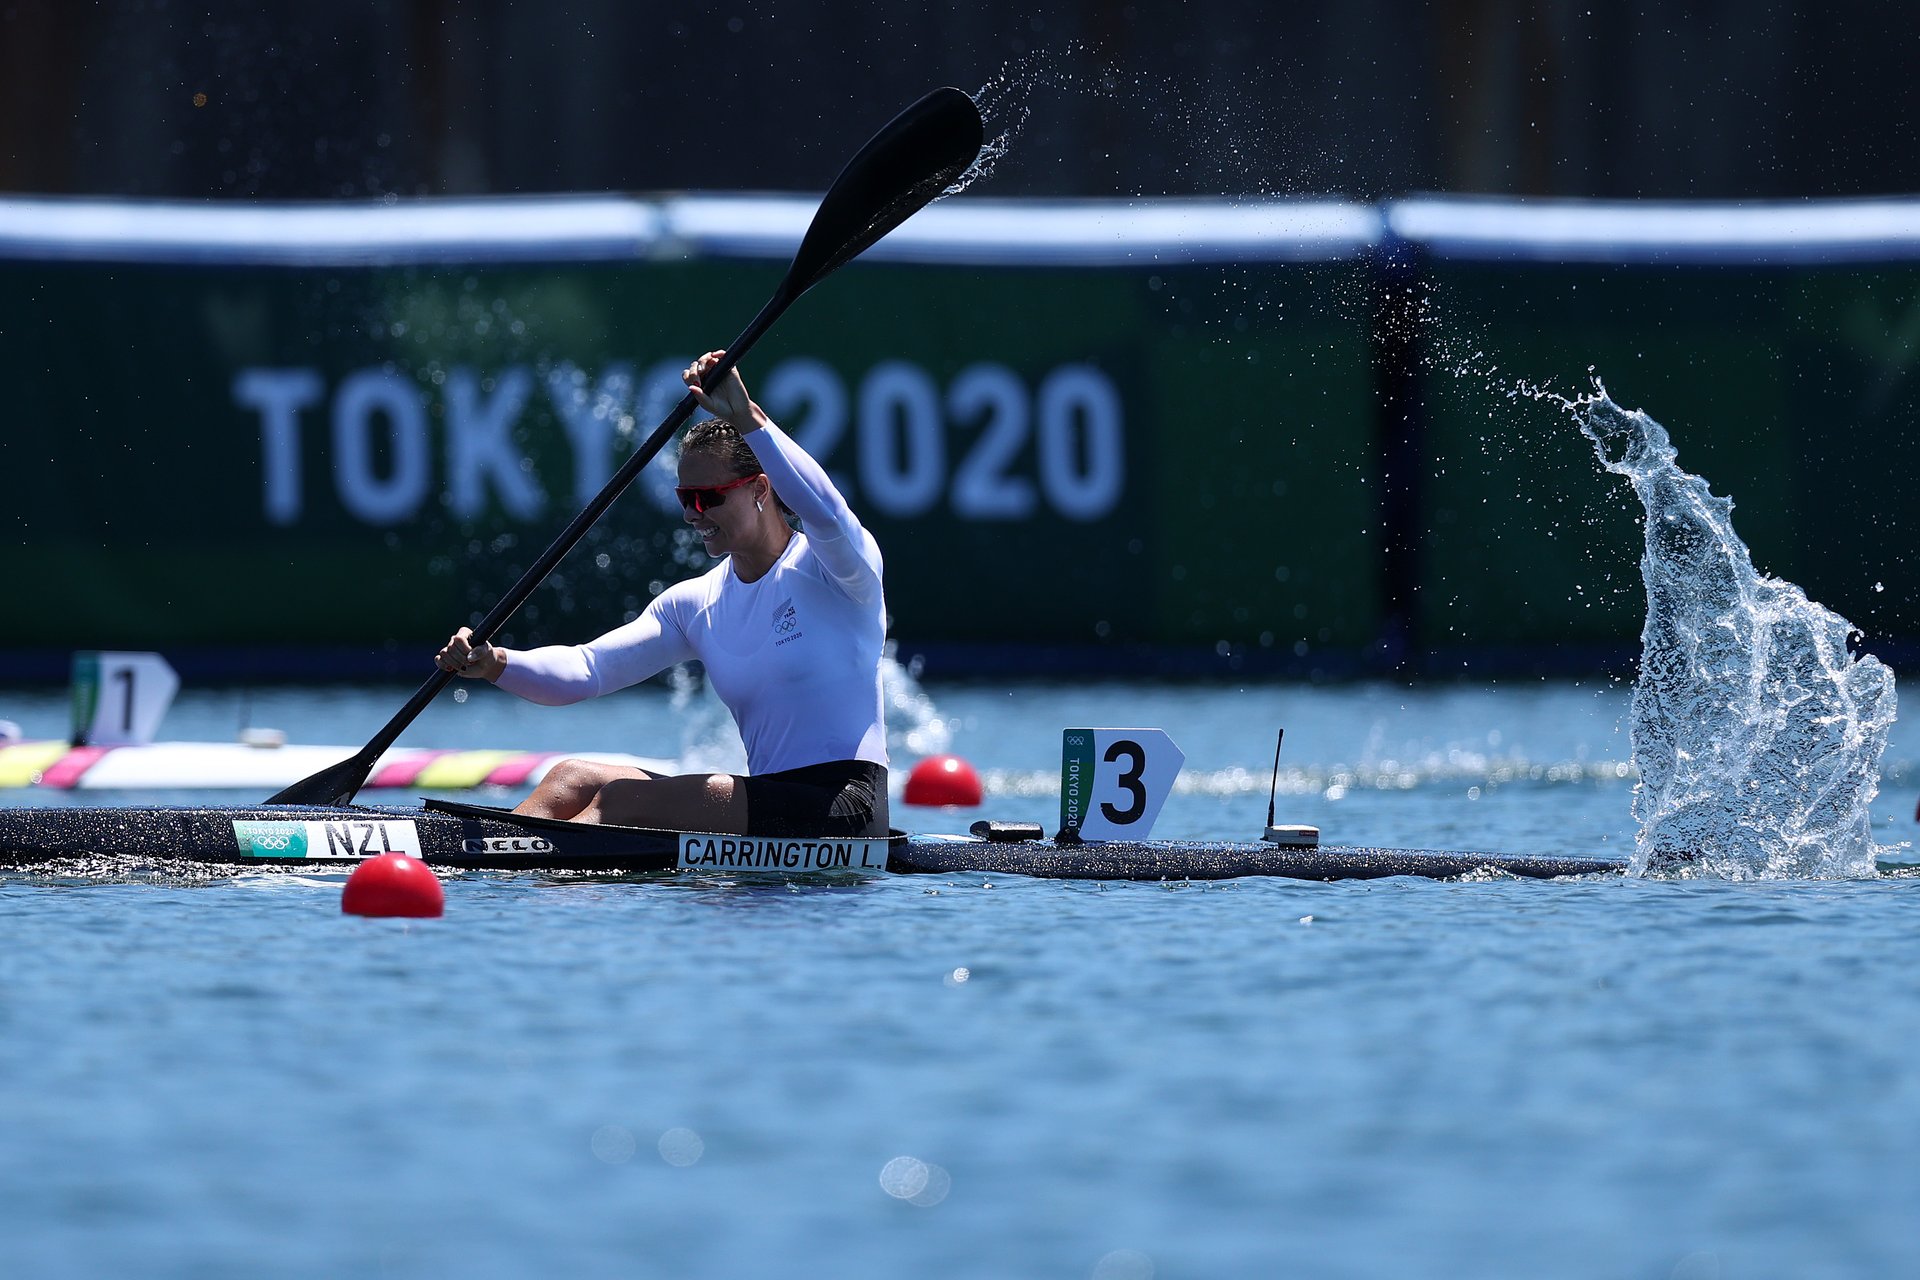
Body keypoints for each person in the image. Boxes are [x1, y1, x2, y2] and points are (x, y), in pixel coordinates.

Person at [435, 351, 889, 838]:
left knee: (622, 800)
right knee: (570, 778)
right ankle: (491, 856)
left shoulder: (837, 570)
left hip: (846, 807)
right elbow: (588, 669)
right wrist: (495, 662)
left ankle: (516, 860)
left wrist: (749, 418)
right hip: (771, 803)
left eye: (708, 497)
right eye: (685, 498)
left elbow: (826, 510)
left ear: (761, 489)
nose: (693, 514)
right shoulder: (695, 604)